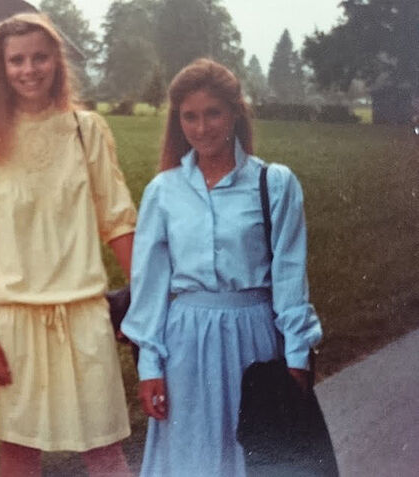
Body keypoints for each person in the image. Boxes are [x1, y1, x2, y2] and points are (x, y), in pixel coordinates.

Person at [0, 13, 136, 477]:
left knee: (105, 451)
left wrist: (148, 304)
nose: (29, 70)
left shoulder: (85, 130)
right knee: (20, 455)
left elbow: (118, 220)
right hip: (11, 319)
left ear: (57, 62)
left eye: (40, 57)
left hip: (83, 312)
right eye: (16, 60)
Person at [120, 58, 324, 477]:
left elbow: (289, 275)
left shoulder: (274, 183)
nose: (201, 127)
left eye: (212, 113)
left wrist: (298, 354)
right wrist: (150, 366)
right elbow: (150, 286)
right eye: (189, 117)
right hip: (186, 344)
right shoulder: (164, 191)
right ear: (178, 122)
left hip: (253, 340)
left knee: (255, 456)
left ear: (234, 112)